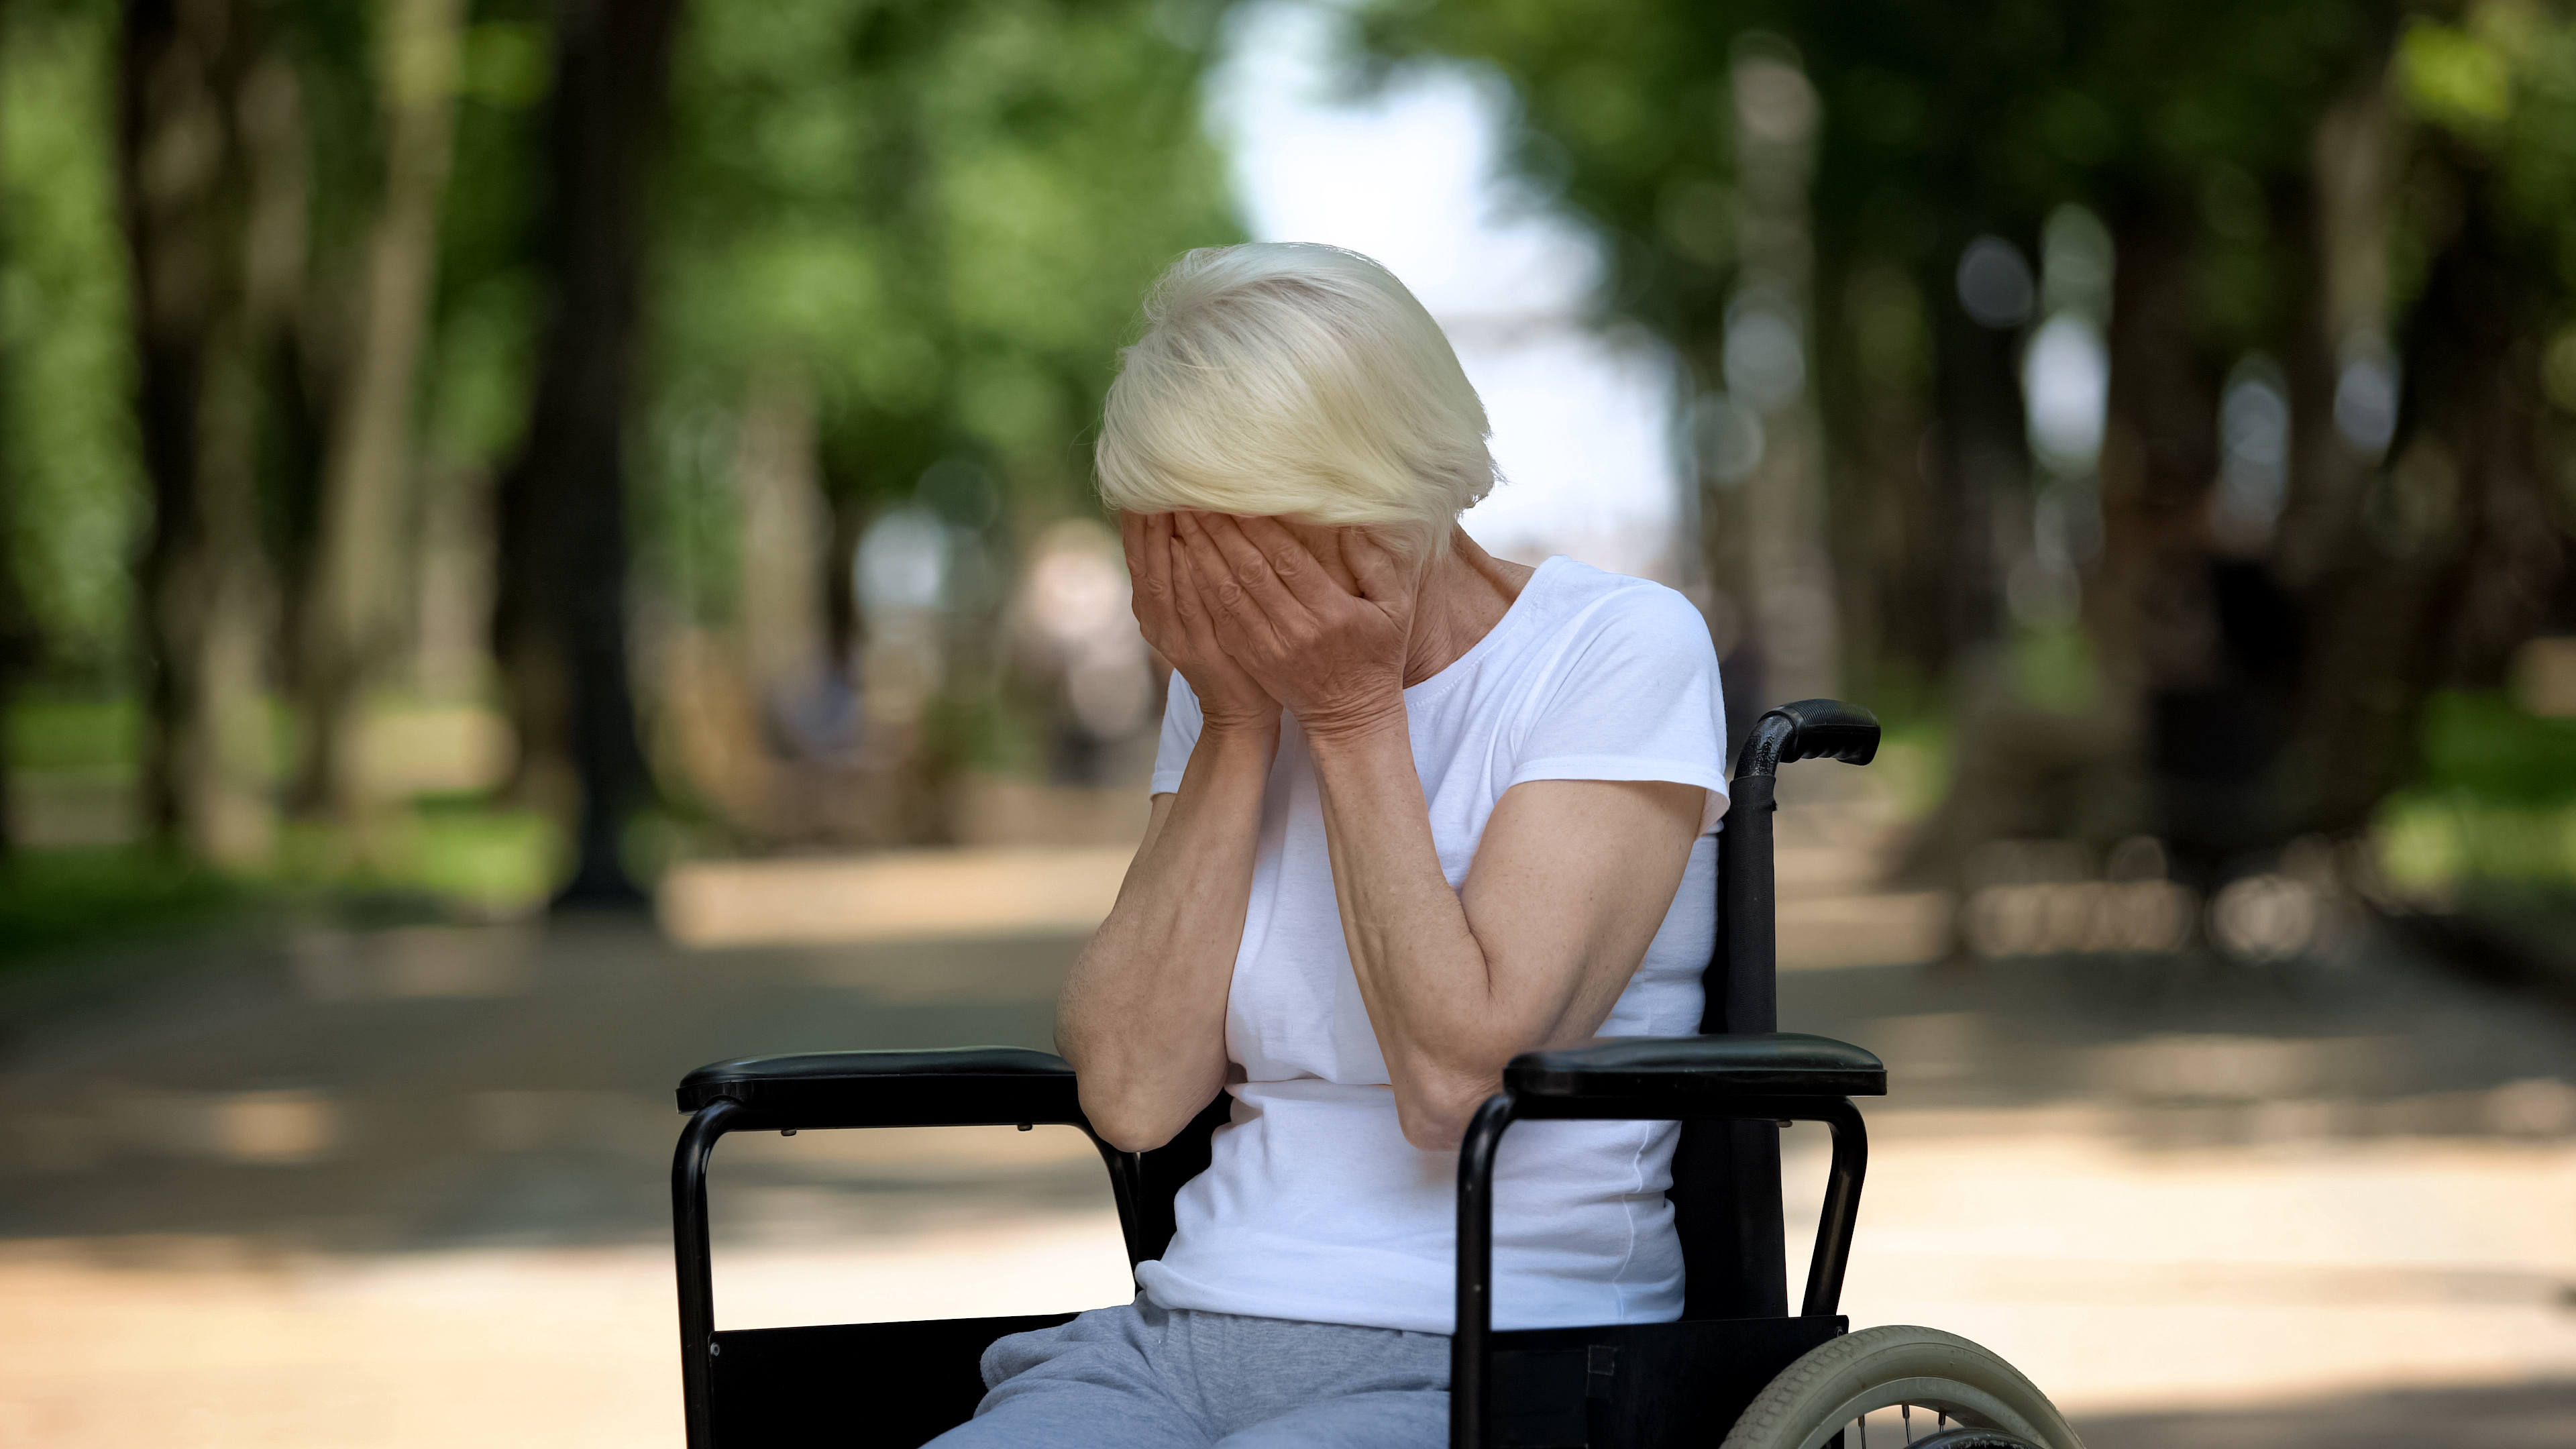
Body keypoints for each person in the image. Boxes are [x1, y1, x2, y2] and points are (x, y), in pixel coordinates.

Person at [928, 242, 1727, 1448]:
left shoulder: (1618, 648)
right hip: (1176, 1339)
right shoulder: (1227, 691)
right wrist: (1240, 718)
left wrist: (1355, 718)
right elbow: (1136, 1095)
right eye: (1184, 548)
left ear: (1389, 498)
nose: (1228, 591)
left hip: (1495, 1354)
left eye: (1251, 544)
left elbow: (1461, 1084)